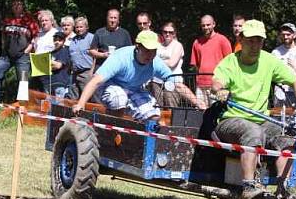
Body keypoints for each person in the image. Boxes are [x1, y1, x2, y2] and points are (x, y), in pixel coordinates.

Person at [210, 20, 296, 199]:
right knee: (253, 133)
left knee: (287, 134)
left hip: (261, 119)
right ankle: (248, 186)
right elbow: (216, 82)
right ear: (241, 40)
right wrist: (220, 90)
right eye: (251, 40)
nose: (255, 45)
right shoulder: (230, 62)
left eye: (259, 41)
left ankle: (283, 187)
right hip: (231, 120)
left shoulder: (269, 60)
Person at [72, 31, 203, 121]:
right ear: (137, 46)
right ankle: (111, 128)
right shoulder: (121, 57)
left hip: (134, 89)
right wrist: (81, 103)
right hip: (109, 86)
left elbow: (177, 84)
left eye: (153, 51)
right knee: (119, 98)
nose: (150, 54)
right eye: (147, 50)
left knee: (154, 116)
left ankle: (139, 142)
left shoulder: (155, 62)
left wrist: (198, 103)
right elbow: (95, 81)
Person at [0, 0, 38, 102]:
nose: (16, 6)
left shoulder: (29, 20)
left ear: (22, 6)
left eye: (19, 4)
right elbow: (3, 33)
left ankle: (22, 104)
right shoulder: (8, 19)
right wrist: (3, 46)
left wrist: (28, 49)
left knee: (23, 79)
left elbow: (36, 37)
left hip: (23, 56)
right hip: (6, 55)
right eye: (14, 4)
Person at [190, 14, 233, 106]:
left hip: (218, 84)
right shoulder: (197, 42)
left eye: (208, 25)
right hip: (201, 85)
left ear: (214, 24)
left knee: (217, 113)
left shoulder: (222, 40)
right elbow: (196, 65)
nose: (206, 27)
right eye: (203, 25)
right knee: (200, 113)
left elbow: (230, 63)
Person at [148, 21, 185, 107]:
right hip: (156, 81)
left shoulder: (178, 45)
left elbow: (172, 63)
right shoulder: (158, 46)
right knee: (158, 108)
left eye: (170, 32)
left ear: (174, 33)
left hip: (173, 81)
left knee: (171, 108)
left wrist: (157, 62)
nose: (168, 34)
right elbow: (150, 61)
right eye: (165, 32)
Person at [271, 22, 296, 107]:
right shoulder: (276, 52)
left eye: (288, 34)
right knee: (279, 117)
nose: (285, 37)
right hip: (280, 92)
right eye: (283, 34)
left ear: (294, 35)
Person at [68, 16, 95, 96]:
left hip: (87, 73)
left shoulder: (91, 38)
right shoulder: (73, 40)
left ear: (86, 27)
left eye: (81, 27)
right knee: (73, 98)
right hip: (74, 73)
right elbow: (71, 56)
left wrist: (92, 72)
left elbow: (96, 56)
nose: (79, 29)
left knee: (87, 97)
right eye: (77, 27)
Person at [41, 31, 72, 98]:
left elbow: (58, 65)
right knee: (48, 106)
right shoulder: (51, 53)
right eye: (55, 40)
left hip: (60, 83)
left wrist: (46, 61)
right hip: (48, 83)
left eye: (59, 40)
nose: (57, 42)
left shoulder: (64, 50)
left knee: (59, 105)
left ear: (64, 41)